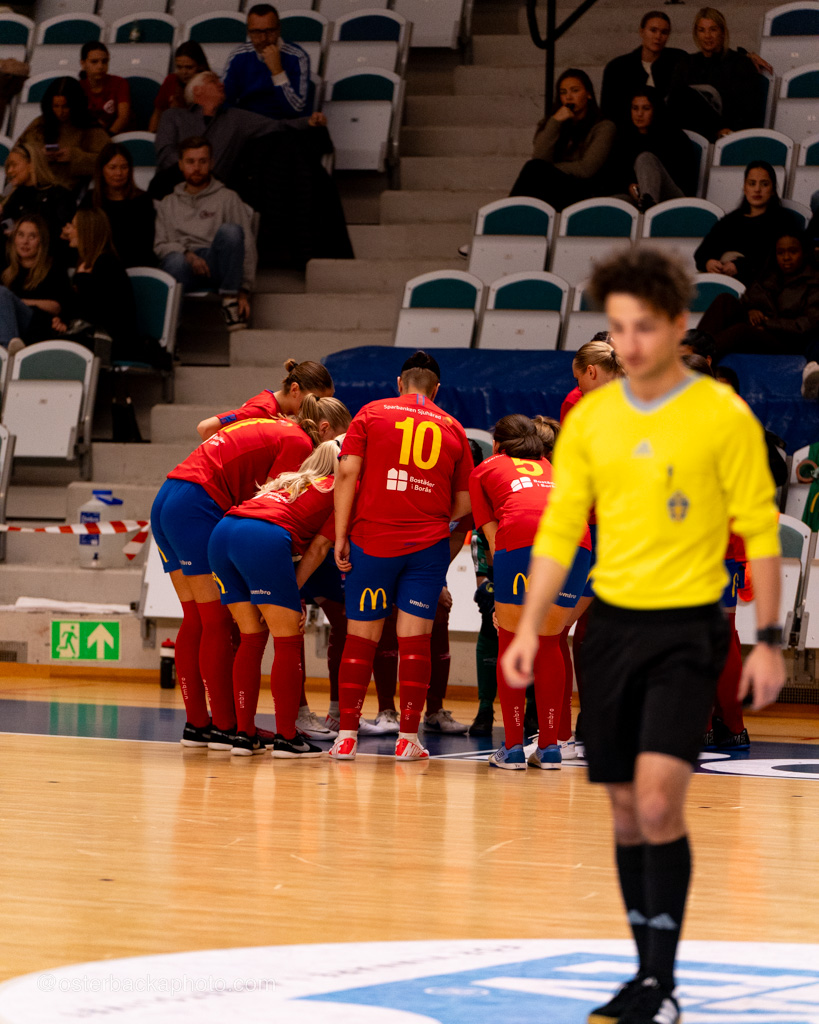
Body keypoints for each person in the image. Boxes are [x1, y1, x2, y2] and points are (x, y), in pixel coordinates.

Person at [502, 246, 784, 1024]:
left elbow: (761, 529)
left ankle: (659, 984)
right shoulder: (590, 419)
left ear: (677, 324)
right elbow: (560, 526)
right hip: (609, 629)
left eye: (644, 326)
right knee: (626, 811)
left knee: (659, 802)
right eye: (618, 328)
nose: (629, 343)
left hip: (686, 629)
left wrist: (765, 637)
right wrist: (530, 626)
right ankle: (640, 973)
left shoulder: (720, 415)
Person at [150, 400, 332, 749]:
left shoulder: (267, 415)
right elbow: (271, 509)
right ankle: (225, 726)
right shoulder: (297, 441)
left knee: (196, 618)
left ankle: (199, 724)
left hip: (170, 493)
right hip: (198, 503)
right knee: (217, 622)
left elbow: (206, 428)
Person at [330, 351, 473, 762]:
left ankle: (346, 737)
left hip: (372, 540)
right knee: (416, 642)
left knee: (361, 639)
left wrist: (341, 535)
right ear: (436, 390)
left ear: (400, 383)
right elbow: (465, 502)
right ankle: (408, 738)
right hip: (426, 548)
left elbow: (346, 473)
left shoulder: (371, 413)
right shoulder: (454, 427)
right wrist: (431, 516)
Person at [209, 434, 350, 757]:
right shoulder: (341, 489)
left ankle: (244, 735)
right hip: (264, 537)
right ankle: (287, 737)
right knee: (288, 640)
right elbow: (319, 548)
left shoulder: (290, 480)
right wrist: (291, 590)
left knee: (251, 638)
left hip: (223, 532)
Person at [469, 414, 591, 770]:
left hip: (521, 538)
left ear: (497, 445)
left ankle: (512, 749)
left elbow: (493, 539)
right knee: (550, 643)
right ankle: (551, 748)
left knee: (510, 640)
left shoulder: (485, 468)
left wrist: (502, 600)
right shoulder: (554, 469)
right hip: (576, 542)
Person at [154, 136, 256, 331]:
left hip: (217, 264)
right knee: (174, 260)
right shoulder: (168, 203)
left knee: (231, 231)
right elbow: (160, 246)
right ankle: (170, 329)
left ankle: (230, 300)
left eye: (202, 161)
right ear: (181, 165)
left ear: (211, 163)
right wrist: (187, 254)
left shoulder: (228, 197)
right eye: (190, 162)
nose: (197, 167)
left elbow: (247, 246)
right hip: (184, 266)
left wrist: (244, 290)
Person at [697, 229, 819, 370]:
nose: (786, 257)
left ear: (804, 253)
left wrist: (768, 323)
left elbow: (806, 324)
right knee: (725, 300)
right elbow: (746, 300)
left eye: (793, 252)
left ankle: (698, 360)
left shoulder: (814, 281)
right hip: (761, 330)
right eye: (780, 252)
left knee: (741, 331)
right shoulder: (769, 274)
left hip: (789, 341)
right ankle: (694, 347)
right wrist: (751, 310)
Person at [509, 69, 616, 212]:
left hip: (585, 190)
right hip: (554, 187)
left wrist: (549, 169)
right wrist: (555, 122)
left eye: (575, 91)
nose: (568, 97)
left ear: (588, 94)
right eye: (563, 92)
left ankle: (509, 213)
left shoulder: (604, 126)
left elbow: (586, 169)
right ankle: (514, 214)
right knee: (534, 169)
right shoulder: (554, 123)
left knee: (534, 170)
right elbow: (539, 158)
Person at [54, 207, 147, 364]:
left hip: (112, 340)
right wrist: (62, 320)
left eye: (74, 226)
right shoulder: (85, 263)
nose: (68, 231)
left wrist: (82, 279)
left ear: (87, 231)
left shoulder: (107, 264)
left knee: (53, 345)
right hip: (89, 332)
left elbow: (100, 312)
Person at [694, 161, 802, 285]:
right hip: (724, 283)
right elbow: (701, 253)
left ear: (773, 190)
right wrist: (708, 262)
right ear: (745, 188)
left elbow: (776, 258)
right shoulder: (730, 221)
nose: (757, 189)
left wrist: (740, 266)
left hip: (764, 285)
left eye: (764, 184)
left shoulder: (783, 220)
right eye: (752, 184)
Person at [667, 7, 765, 142]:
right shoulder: (686, 63)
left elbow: (748, 109)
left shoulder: (740, 63)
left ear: (723, 32)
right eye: (702, 30)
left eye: (713, 29)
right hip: (693, 132)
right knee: (679, 95)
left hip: (731, 131)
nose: (707, 36)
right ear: (696, 34)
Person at [196, 359, 335, 440]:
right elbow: (205, 428)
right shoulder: (262, 410)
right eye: (317, 400)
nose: (321, 408)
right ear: (294, 389)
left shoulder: (282, 410)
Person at [18, 77, 110, 193]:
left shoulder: (90, 127)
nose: (60, 112)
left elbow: (108, 161)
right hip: (34, 185)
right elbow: (18, 153)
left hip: (68, 190)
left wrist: (75, 157)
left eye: (65, 107)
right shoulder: (40, 123)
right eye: (55, 106)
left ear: (76, 104)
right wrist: (39, 155)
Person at [612, 89, 698, 210]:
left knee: (645, 158)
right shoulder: (624, 137)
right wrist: (629, 186)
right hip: (637, 198)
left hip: (673, 199)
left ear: (655, 110)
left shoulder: (674, 136)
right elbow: (616, 175)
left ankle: (648, 206)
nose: (639, 114)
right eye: (635, 108)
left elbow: (686, 180)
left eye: (646, 108)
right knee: (615, 202)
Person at [224, 3, 311, 120]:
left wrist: (277, 72)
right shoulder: (238, 56)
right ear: (248, 33)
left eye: (269, 31)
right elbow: (225, 101)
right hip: (247, 123)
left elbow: (296, 109)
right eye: (256, 32)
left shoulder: (297, 57)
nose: (263, 38)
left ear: (279, 30)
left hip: (282, 124)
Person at [600, 11, 688, 126]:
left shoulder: (678, 60)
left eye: (664, 32)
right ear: (642, 32)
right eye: (653, 30)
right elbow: (608, 110)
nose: (658, 36)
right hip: (627, 129)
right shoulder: (618, 67)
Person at [0, 215, 72, 353]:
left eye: (32, 237)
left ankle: (5, 351)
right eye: (21, 235)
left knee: (2, 293)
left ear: (41, 241)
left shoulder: (53, 268)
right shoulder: (6, 270)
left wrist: (18, 302)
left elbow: (57, 306)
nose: (25, 242)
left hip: (38, 324)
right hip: (10, 323)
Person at [0, 143, 75, 251]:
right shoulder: (13, 197)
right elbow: (7, 228)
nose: (9, 171)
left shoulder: (59, 195)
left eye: (14, 165)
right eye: (8, 166)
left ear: (31, 165)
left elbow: (62, 235)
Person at [92, 143, 156, 268]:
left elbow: (146, 241)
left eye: (124, 167)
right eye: (112, 167)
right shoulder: (92, 200)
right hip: (101, 263)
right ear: (102, 170)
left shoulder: (143, 200)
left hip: (138, 262)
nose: (119, 173)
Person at [149, 42, 210, 134]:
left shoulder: (209, 85)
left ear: (200, 66)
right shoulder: (171, 80)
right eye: (179, 67)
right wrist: (151, 135)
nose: (184, 72)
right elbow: (157, 113)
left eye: (189, 67)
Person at [79, 42, 130, 136]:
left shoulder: (119, 83)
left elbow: (123, 117)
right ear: (83, 63)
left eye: (104, 61)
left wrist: (107, 137)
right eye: (94, 62)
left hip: (115, 136)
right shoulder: (78, 87)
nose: (100, 66)